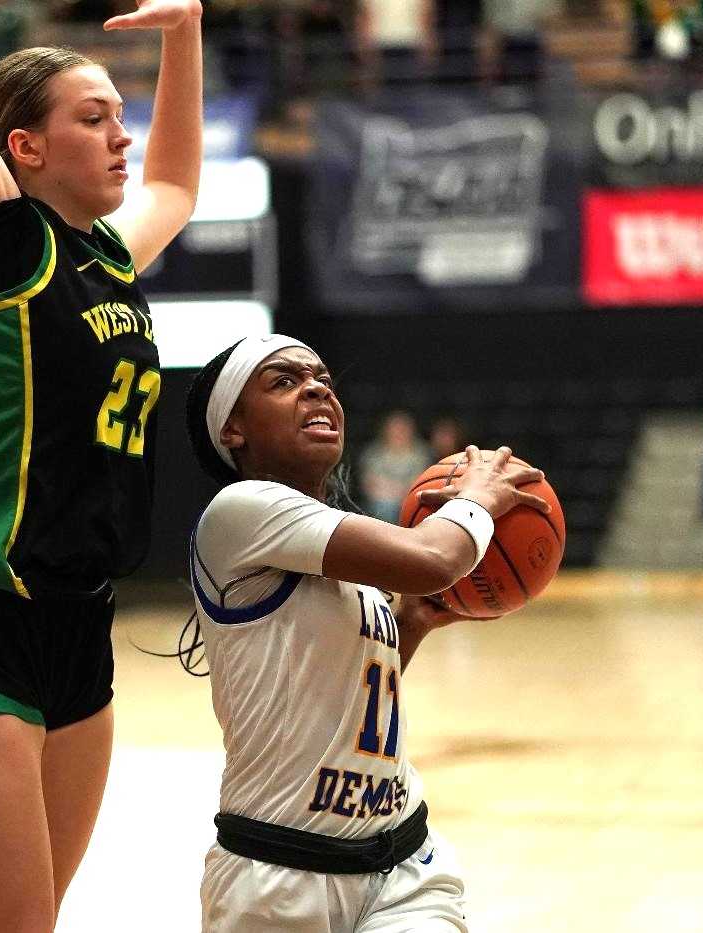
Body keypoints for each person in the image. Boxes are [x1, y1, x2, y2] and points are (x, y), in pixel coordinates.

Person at [0, 0, 203, 930]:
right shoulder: (0, 246)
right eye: (91, 118)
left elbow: (175, 183)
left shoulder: (107, 254)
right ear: (22, 146)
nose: (119, 134)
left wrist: (186, 34)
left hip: (79, 630)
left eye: (118, 114)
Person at [183, 335, 550, 932]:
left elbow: (349, 692)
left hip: (404, 865)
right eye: (283, 381)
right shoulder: (239, 511)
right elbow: (437, 558)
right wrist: (480, 496)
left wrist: (414, 621)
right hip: (278, 877)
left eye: (321, 378)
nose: (315, 387)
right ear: (233, 430)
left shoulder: (349, 558)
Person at [358, 410, 431, 524]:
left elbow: (419, 484)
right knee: (384, 507)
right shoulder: (374, 453)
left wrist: (401, 494)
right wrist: (392, 493)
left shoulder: (420, 454)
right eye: (395, 428)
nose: (399, 432)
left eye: (403, 429)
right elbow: (370, 484)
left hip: (410, 500)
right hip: (381, 501)